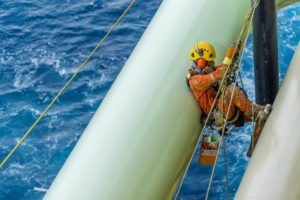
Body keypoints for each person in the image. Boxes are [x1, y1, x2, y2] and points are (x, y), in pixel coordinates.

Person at [186, 41, 271, 157]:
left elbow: (221, 69)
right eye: (210, 62)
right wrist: (228, 56)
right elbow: (219, 73)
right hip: (219, 115)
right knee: (230, 90)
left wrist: (233, 56)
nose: (212, 64)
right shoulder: (195, 81)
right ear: (201, 62)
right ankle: (257, 114)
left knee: (267, 113)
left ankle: (254, 146)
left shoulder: (204, 72)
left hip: (225, 109)